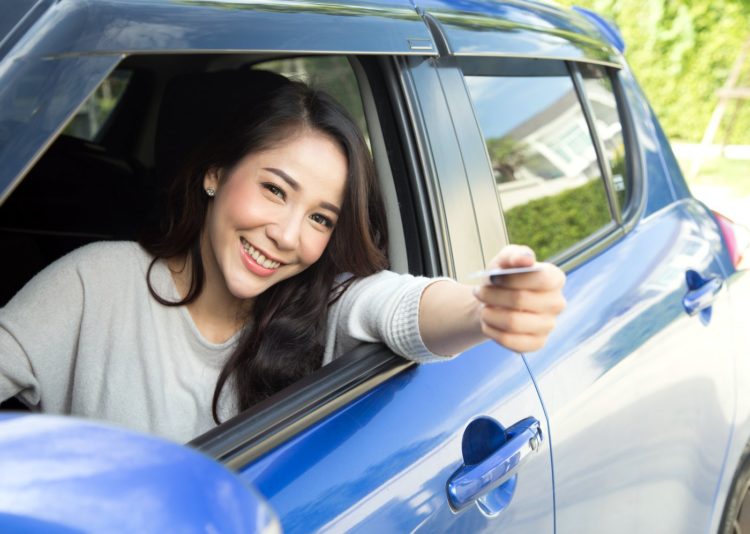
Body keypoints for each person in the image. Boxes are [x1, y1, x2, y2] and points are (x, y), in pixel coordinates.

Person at [0, 72, 566, 443]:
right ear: (215, 173)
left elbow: (398, 304)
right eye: (274, 189)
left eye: (321, 217)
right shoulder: (96, 282)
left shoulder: (320, 308)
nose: (288, 235)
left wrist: (481, 309)